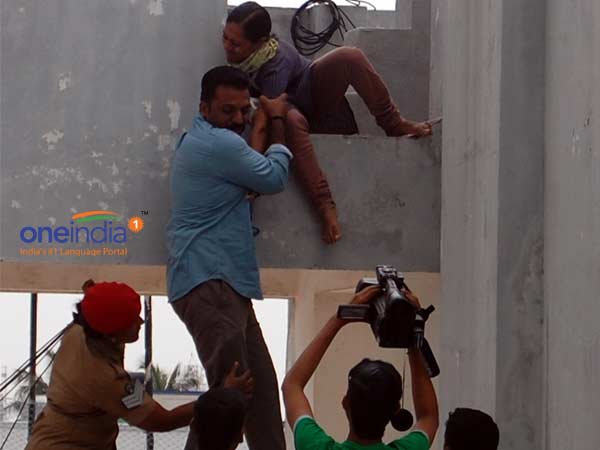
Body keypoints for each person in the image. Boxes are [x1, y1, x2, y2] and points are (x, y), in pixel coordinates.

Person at [224, 1, 434, 244]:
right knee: (291, 118)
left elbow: (265, 121)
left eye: (235, 44)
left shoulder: (275, 64)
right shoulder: (246, 62)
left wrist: (250, 173)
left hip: (317, 105)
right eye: (225, 38)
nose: (227, 47)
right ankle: (323, 204)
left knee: (350, 56)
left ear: (260, 42)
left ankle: (392, 125)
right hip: (293, 112)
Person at [166, 65, 292, 450]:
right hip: (212, 283)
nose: (238, 119)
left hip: (225, 285)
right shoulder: (218, 144)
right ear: (204, 108)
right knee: (225, 406)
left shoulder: (208, 140)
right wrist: (277, 120)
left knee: (261, 395)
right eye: (227, 110)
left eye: (244, 110)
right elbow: (273, 177)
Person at [25, 280, 253, 450]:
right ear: (113, 333)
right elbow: (161, 420)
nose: (141, 321)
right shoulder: (107, 380)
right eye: (133, 320)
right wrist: (220, 396)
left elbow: (96, 302)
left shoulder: (83, 330)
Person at [282, 285, 439, 450]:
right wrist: (413, 330)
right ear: (395, 410)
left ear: (345, 403)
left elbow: (292, 385)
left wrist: (339, 319)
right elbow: (428, 416)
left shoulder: (315, 446)